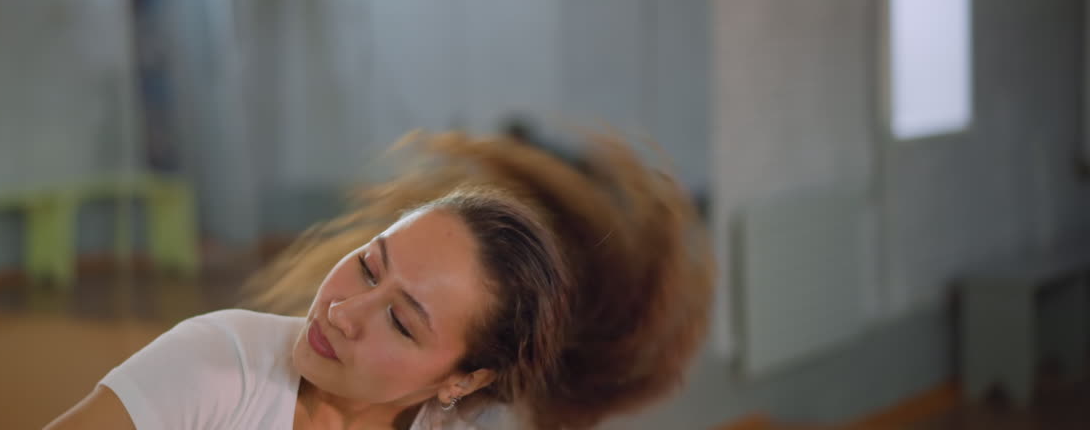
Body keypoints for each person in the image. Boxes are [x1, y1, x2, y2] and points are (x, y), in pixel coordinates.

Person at [46, 131, 713, 430]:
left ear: (463, 379)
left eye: (400, 320)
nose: (344, 310)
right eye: (369, 264)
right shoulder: (219, 367)